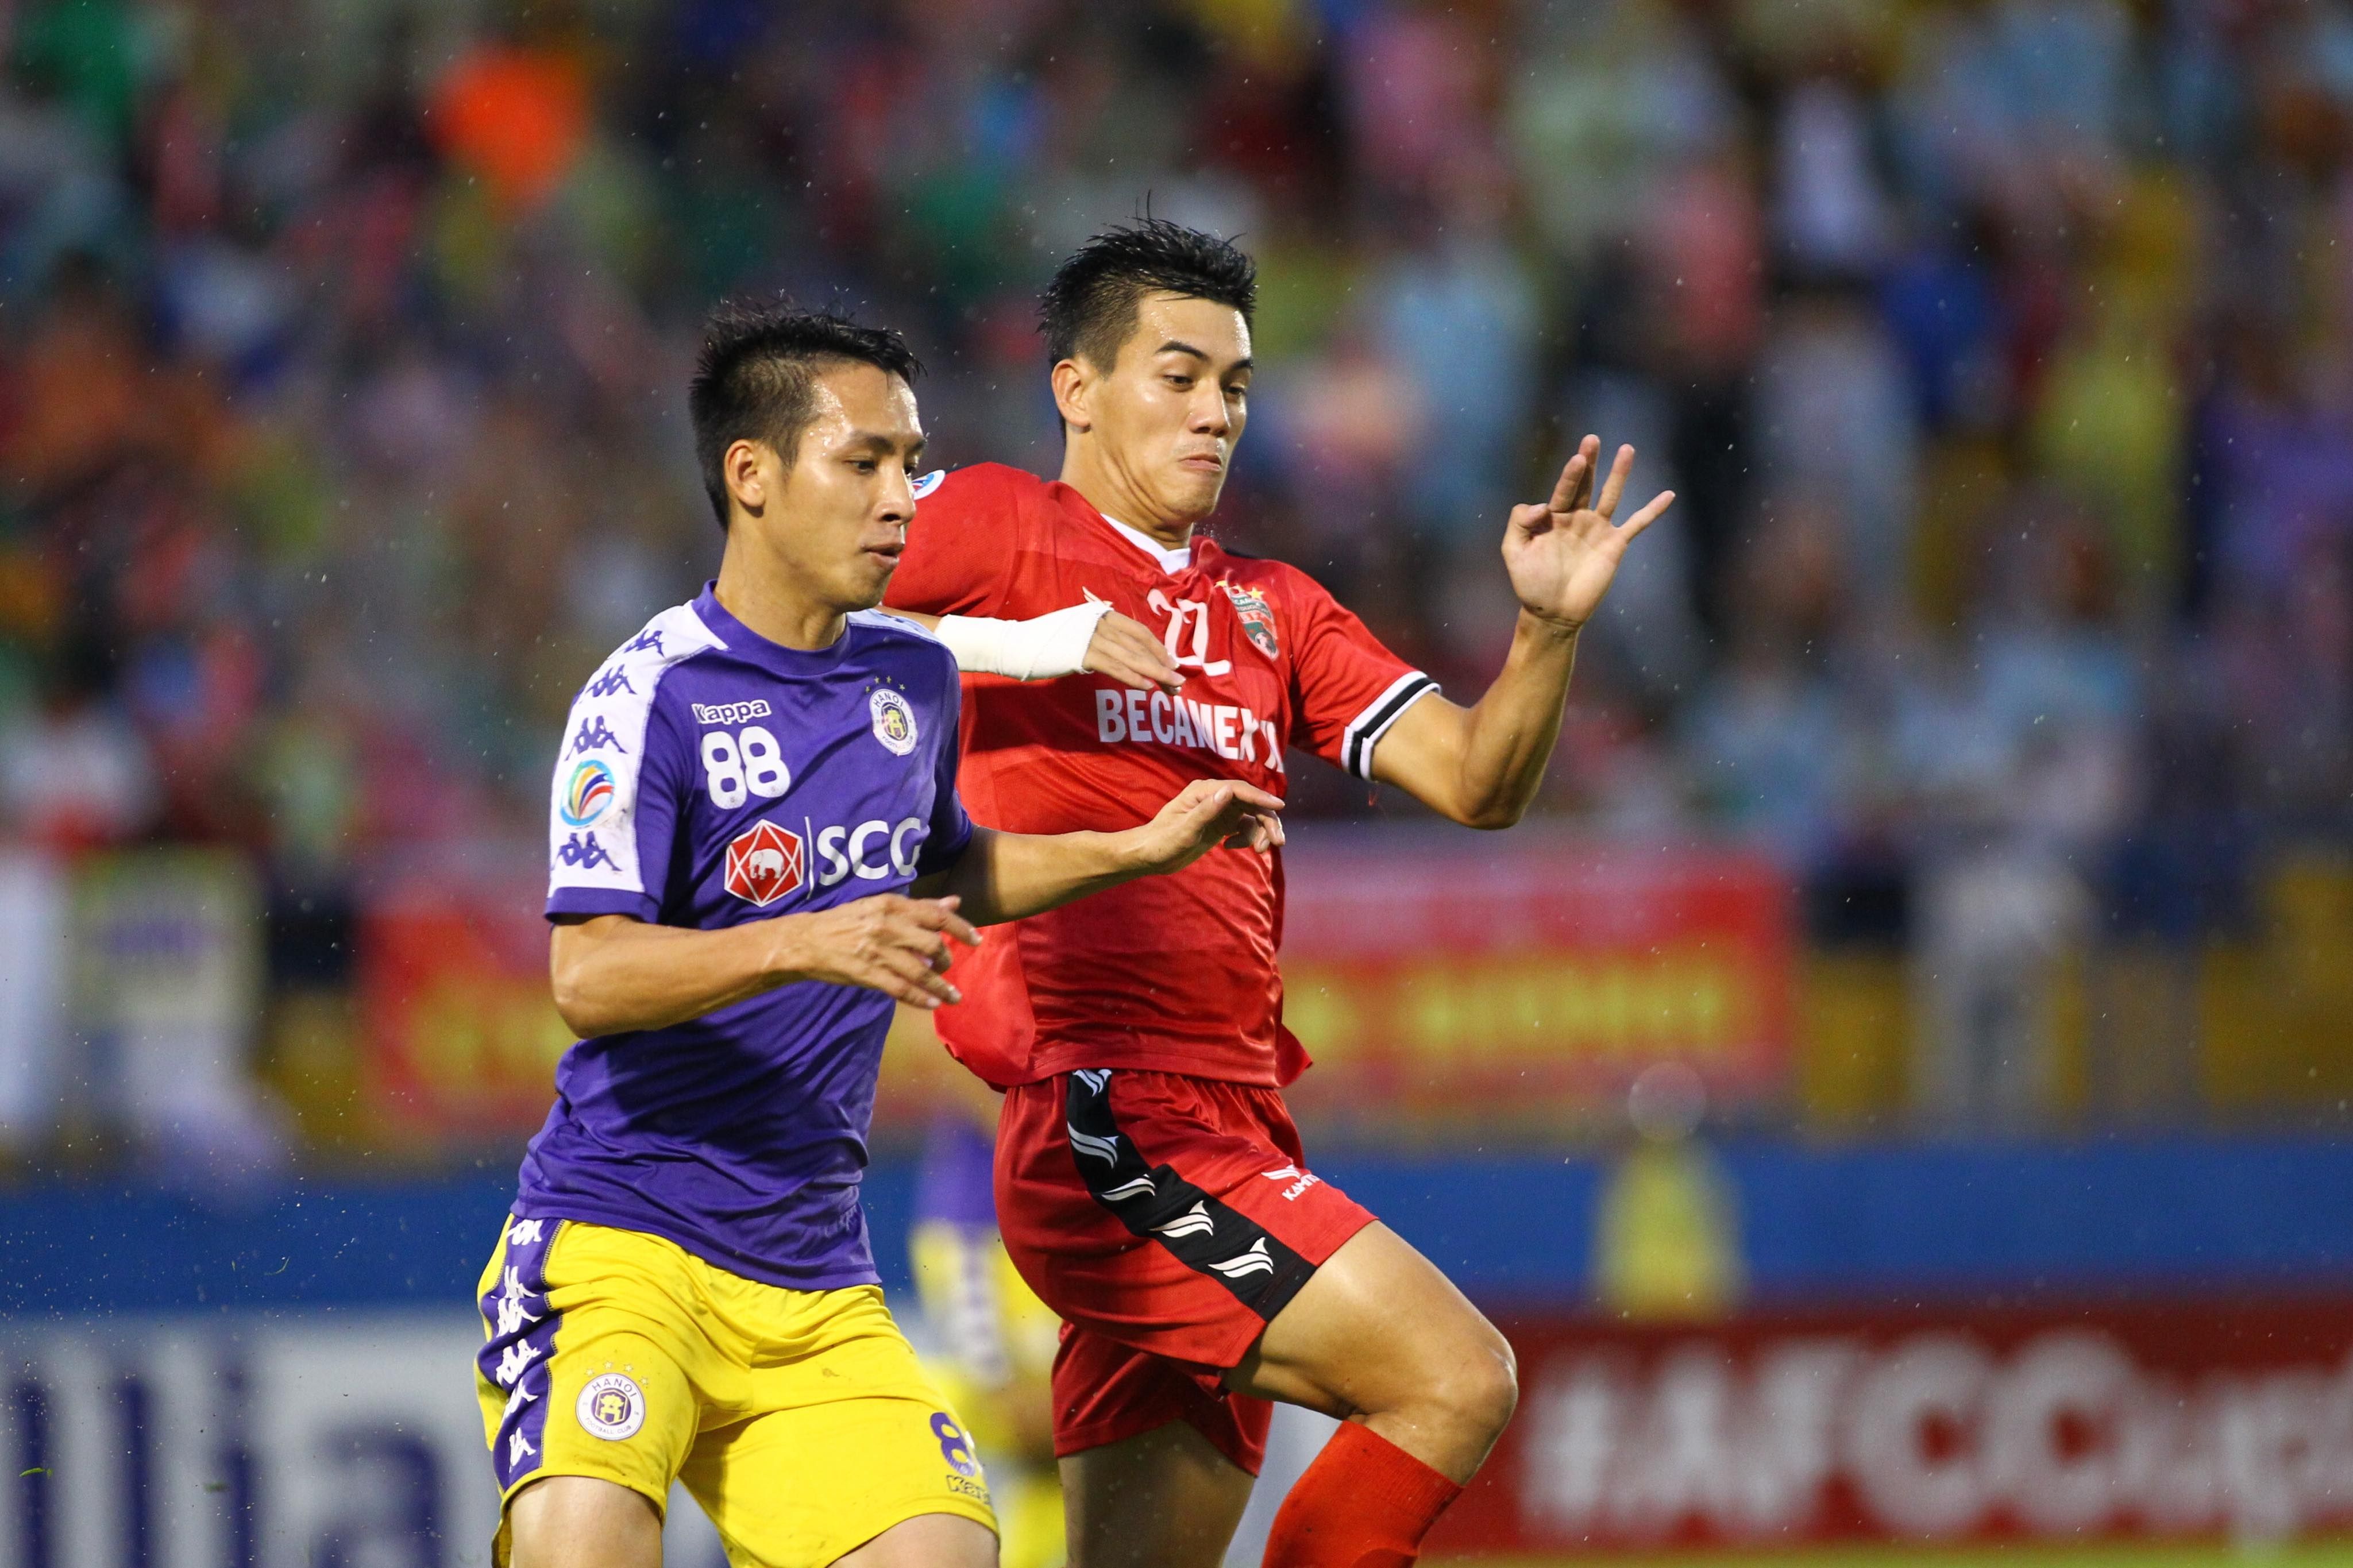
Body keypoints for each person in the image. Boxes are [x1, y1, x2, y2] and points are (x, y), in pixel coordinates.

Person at [882, 219, 1672, 1568]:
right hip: (1105, 1118)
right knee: (1452, 1379)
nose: (1214, 416)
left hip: (1236, 1116)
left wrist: (1544, 630)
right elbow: (776, 629)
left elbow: (1481, 783)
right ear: (1075, 389)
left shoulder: (1272, 609)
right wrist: (1026, 641)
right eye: (1176, 377)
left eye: (1235, 387)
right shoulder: (1000, 523)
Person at [475, 300, 1283, 1568]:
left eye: (910, 462)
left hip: (809, 1272)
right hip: (620, 1244)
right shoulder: (648, 696)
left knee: (940, 1554)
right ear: (751, 476)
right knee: (583, 1547)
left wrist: (1138, 847)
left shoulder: (911, 678)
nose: (902, 498)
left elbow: (947, 868)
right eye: (864, 462)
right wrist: (804, 940)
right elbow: (590, 975)